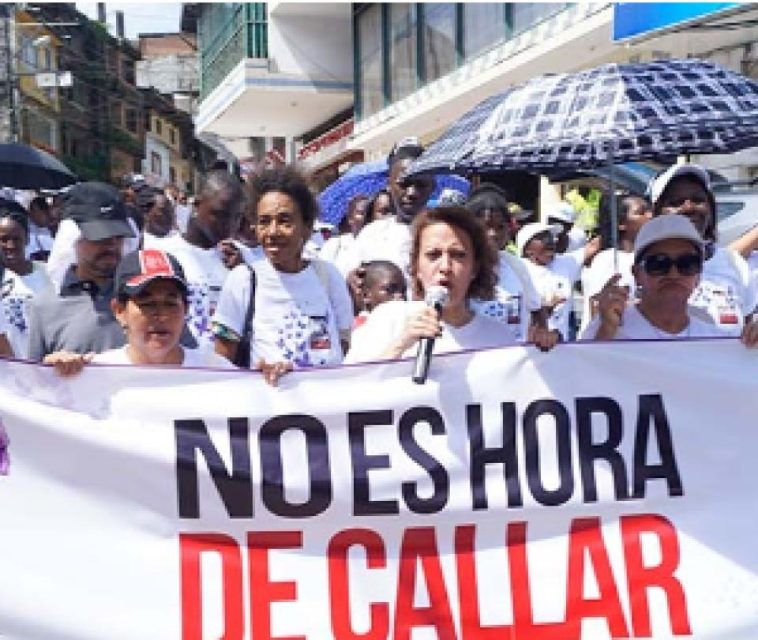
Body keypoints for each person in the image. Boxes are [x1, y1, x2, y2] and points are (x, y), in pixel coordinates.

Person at [212, 166, 353, 384]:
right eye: (264, 221)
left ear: (306, 227)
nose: (273, 232)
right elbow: (222, 364)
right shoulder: (243, 281)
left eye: (285, 220)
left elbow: (344, 347)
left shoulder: (329, 276)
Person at [345, 206, 514, 364]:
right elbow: (350, 386)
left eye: (458, 255)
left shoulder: (499, 338)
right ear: (416, 266)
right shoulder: (388, 319)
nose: (445, 267)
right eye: (433, 255)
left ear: (475, 268)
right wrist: (401, 344)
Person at [43, 249, 234, 375]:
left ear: (186, 309)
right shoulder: (95, 374)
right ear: (119, 311)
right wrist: (50, 377)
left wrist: (263, 380)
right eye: (147, 303)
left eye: (170, 303)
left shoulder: (217, 373)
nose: (161, 315)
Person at [580, 214, 752, 342]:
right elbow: (581, 381)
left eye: (687, 263)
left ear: (698, 275)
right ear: (637, 274)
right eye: (659, 264)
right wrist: (606, 331)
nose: (673, 274)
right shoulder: (609, 328)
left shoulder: (715, 339)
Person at [27, 182, 135, 360]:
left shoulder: (145, 297)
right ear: (71, 238)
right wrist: (50, 367)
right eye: (100, 237)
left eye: (119, 237)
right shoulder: (44, 307)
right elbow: (33, 382)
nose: (112, 245)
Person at [648, 163, 757, 330]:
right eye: (676, 202)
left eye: (698, 200)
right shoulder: (641, 269)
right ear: (656, 211)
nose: (689, 207)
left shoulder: (735, 265)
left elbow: (746, 334)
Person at [145, 170, 243, 347]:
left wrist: (242, 274)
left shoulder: (238, 260)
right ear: (197, 205)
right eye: (220, 214)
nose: (229, 225)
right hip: (177, 366)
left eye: (236, 217)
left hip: (225, 369)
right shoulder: (161, 253)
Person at [465, 183, 549, 345]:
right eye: (485, 227)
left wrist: (542, 338)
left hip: (514, 363)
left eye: (500, 227)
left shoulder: (516, 266)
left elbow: (537, 310)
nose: (493, 234)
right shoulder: (461, 270)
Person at [350, 137, 436, 275]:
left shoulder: (446, 231)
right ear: (389, 185)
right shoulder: (371, 235)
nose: (412, 193)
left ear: (432, 186)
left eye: (421, 184)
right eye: (403, 184)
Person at [579, 193, 652, 332]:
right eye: (641, 212)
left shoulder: (650, 257)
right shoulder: (606, 260)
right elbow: (596, 306)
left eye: (650, 210)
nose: (649, 216)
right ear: (621, 224)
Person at [517, 220, 598, 341]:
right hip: (527, 346)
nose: (550, 241)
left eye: (550, 237)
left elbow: (592, 247)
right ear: (527, 248)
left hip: (561, 346)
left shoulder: (565, 263)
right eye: (543, 238)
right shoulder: (518, 269)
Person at [0, 200, 54, 358]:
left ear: (27, 240)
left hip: (46, 364)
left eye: (16, 239)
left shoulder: (48, 273)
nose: (10, 245)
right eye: (3, 239)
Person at [319, 194, 368, 277]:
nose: (366, 218)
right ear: (350, 218)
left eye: (369, 213)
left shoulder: (380, 245)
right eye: (361, 213)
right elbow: (322, 274)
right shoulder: (335, 245)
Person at [353, 260, 407, 329]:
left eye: (403, 291)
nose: (400, 296)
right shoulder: (358, 329)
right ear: (365, 295)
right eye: (389, 289)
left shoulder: (405, 324)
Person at [26, 196, 54, 261]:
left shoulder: (55, 229)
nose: (33, 217)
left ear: (46, 212)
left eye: (38, 215)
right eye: (31, 214)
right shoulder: (28, 229)